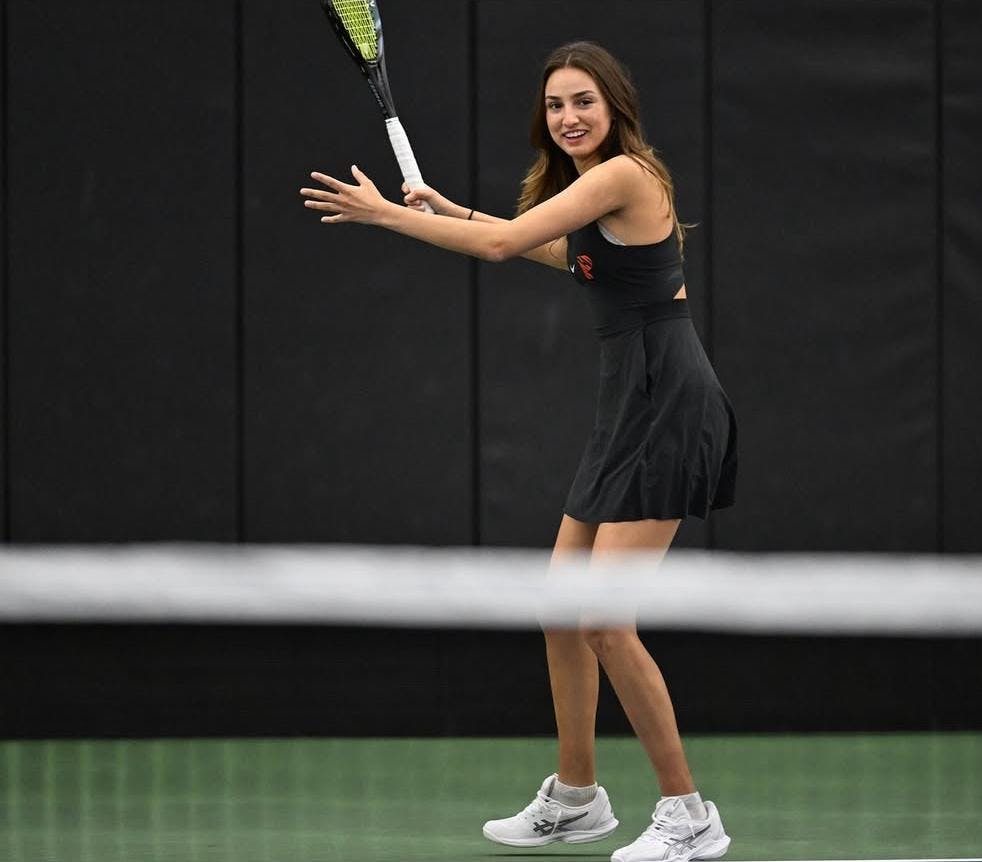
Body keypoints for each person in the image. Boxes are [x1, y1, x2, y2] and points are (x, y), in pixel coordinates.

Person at [301, 40, 737, 862]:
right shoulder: (587, 193)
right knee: (561, 613)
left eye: (583, 102)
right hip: (627, 408)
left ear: (614, 108)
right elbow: (537, 247)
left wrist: (386, 215)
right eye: (554, 105)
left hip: (669, 406)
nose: (568, 117)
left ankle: (689, 816)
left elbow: (504, 250)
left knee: (605, 620)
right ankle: (578, 797)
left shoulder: (624, 175)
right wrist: (447, 211)